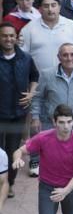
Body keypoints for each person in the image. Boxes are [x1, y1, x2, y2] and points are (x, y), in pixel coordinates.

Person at [0, 22, 39, 195]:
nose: (8, 39)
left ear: (16, 38)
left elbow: (35, 76)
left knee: (12, 149)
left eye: (11, 36)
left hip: (18, 112)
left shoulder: (26, 58)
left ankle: (9, 183)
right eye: (4, 36)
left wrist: (31, 93)